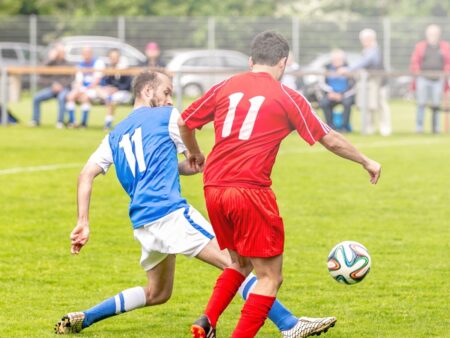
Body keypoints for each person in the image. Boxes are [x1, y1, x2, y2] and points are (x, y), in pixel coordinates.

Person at [54, 70, 332, 338]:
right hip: (170, 213)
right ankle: (289, 324)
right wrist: (198, 156)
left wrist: (83, 221)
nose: (170, 100)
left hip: (143, 222)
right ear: (147, 90)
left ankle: (86, 317)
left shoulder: (114, 135)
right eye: (165, 92)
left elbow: (86, 175)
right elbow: (190, 143)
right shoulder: (166, 116)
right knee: (236, 263)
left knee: (157, 294)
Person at [178, 31, 381, 338]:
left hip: (214, 187)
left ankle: (206, 321)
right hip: (249, 190)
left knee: (239, 263)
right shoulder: (287, 96)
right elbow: (329, 138)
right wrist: (366, 160)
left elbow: (185, 121)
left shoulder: (226, 85)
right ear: (284, 63)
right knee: (270, 277)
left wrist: (194, 152)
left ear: (250, 60)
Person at [340, 28, 391, 136]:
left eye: (365, 39)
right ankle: (369, 128)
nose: (363, 41)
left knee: (381, 105)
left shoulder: (374, 50)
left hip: (380, 83)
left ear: (371, 38)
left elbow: (365, 62)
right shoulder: (366, 50)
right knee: (368, 105)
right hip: (368, 83)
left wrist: (348, 69)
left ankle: (385, 128)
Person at [410, 24, 450, 134]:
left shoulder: (445, 47)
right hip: (423, 79)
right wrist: (417, 72)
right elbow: (415, 61)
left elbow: (448, 62)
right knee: (421, 103)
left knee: (436, 105)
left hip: (439, 79)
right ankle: (419, 128)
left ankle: (436, 129)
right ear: (427, 35)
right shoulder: (420, 46)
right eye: (431, 34)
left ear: (439, 35)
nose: (433, 36)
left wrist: (446, 73)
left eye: (435, 34)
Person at [30, 44, 72, 128]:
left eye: (62, 52)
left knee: (61, 98)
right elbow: (41, 74)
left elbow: (71, 79)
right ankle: (35, 120)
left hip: (64, 88)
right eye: (59, 52)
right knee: (36, 98)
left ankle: (60, 122)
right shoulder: (50, 63)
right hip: (52, 88)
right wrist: (51, 59)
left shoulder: (68, 64)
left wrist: (61, 86)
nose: (61, 53)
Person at [65, 47, 105, 128]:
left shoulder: (98, 63)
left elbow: (96, 80)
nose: (86, 55)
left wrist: (85, 90)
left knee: (85, 97)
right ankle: (73, 122)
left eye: (88, 53)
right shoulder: (80, 65)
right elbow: (79, 81)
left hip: (95, 88)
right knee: (70, 96)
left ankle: (83, 123)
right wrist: (79, 89)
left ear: (91, 54)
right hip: (83, 88)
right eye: (85, 53)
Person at [318, 49, 356, 132]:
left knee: (347, 103)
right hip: (331, 94)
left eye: (339, 59)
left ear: (343, 60)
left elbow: (353, 86)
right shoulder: (326, 68)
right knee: (324, 103)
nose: (336, 61)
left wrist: (342, 94)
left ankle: (344, 127)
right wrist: (330, 92)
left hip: (345, 95)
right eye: (334, 59)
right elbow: (321, 84)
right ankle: (330, 127)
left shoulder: (349, 69)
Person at [97, 48, 133, 130]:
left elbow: (127, 85)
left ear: (119, 58)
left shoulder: (124, 69)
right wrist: (108, 87)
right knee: (99, 90)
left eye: (115, 57)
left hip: (123, 92)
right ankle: (107, 99)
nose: (113, 59)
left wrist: (116, 88)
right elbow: (104, 82)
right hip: (110, 92)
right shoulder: (108, 69)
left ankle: (107, 124)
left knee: (113, 99)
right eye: (111, 57)